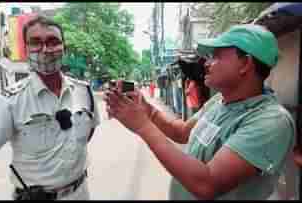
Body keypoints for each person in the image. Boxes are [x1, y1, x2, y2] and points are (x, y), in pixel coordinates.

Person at [104, 24, 295, 200]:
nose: (206, 63)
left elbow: (207, 184)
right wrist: (146, 108)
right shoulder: (219, 102)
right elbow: (181, 132)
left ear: (245, 64)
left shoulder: (270, 121)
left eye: (216, 56)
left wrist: (141, 125)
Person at [0, 16, 100, 200]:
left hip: (80, 193)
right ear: (26, 49)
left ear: (65, 48)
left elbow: (85, 135)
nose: (46, 50)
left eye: (53, 42)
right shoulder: (9, 102)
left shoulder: (84, 91)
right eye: (36, 43)